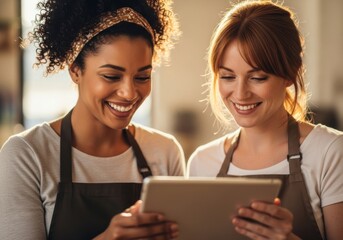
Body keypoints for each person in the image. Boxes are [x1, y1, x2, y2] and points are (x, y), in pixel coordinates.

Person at [0, 0, 185, 239]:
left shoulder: (164, 151)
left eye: (142, 77)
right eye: (111, 76)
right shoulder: (27, 154)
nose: (129, 93)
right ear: (75, 70)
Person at [187, 0, 343, 239]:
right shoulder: (202, 163)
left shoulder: (330, 152)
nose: (240, 94)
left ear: (291, 73)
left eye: (258, 77)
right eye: (228, 77)